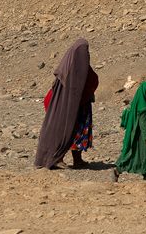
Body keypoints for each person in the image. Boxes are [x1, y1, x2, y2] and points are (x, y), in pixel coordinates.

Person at [33, 38, 99, 169]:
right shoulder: (70, 70)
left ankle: (77, 159)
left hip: (81, 106)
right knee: (63, 129)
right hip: (67, 108)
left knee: (78, 132)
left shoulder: (78, 67)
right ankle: (57, 158)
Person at [115, 81, 146, 180]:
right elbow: (143, 124)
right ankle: (119, 170)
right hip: (140, 136)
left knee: (137, 154)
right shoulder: (143, 108)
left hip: (136, 134)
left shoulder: (137, 102)